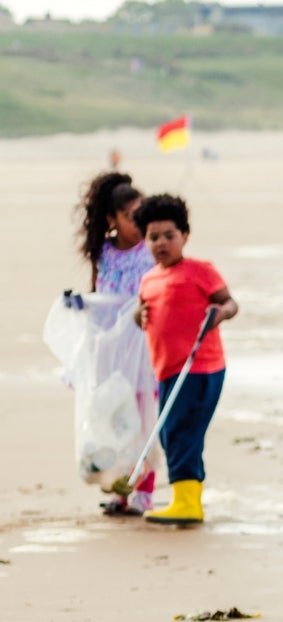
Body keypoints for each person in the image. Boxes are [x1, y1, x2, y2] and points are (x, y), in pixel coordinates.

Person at [133, 194, 239, 526]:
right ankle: (186, 497)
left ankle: (188, 503)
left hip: (199, 367)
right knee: (171, 434)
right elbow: (144, 314)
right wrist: (139, 315)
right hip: (166, 369)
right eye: (153, 237)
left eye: (169, 235)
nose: (161, 243)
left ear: (184, 236)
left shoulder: (200, 271)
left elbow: (231, 303)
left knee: (182, 432)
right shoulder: (149, 279)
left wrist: (219, 314)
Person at [75, 170, 158, 515]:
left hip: (142, 348)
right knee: (113, 417)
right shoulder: (103, 254)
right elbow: (99, 297)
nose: (136, 223)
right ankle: (119, 489)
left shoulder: (149, 252)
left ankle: (144, 492)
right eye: (128, 216)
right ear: (111, 218)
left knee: (142, 417)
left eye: (139, 214)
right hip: (110, 349)